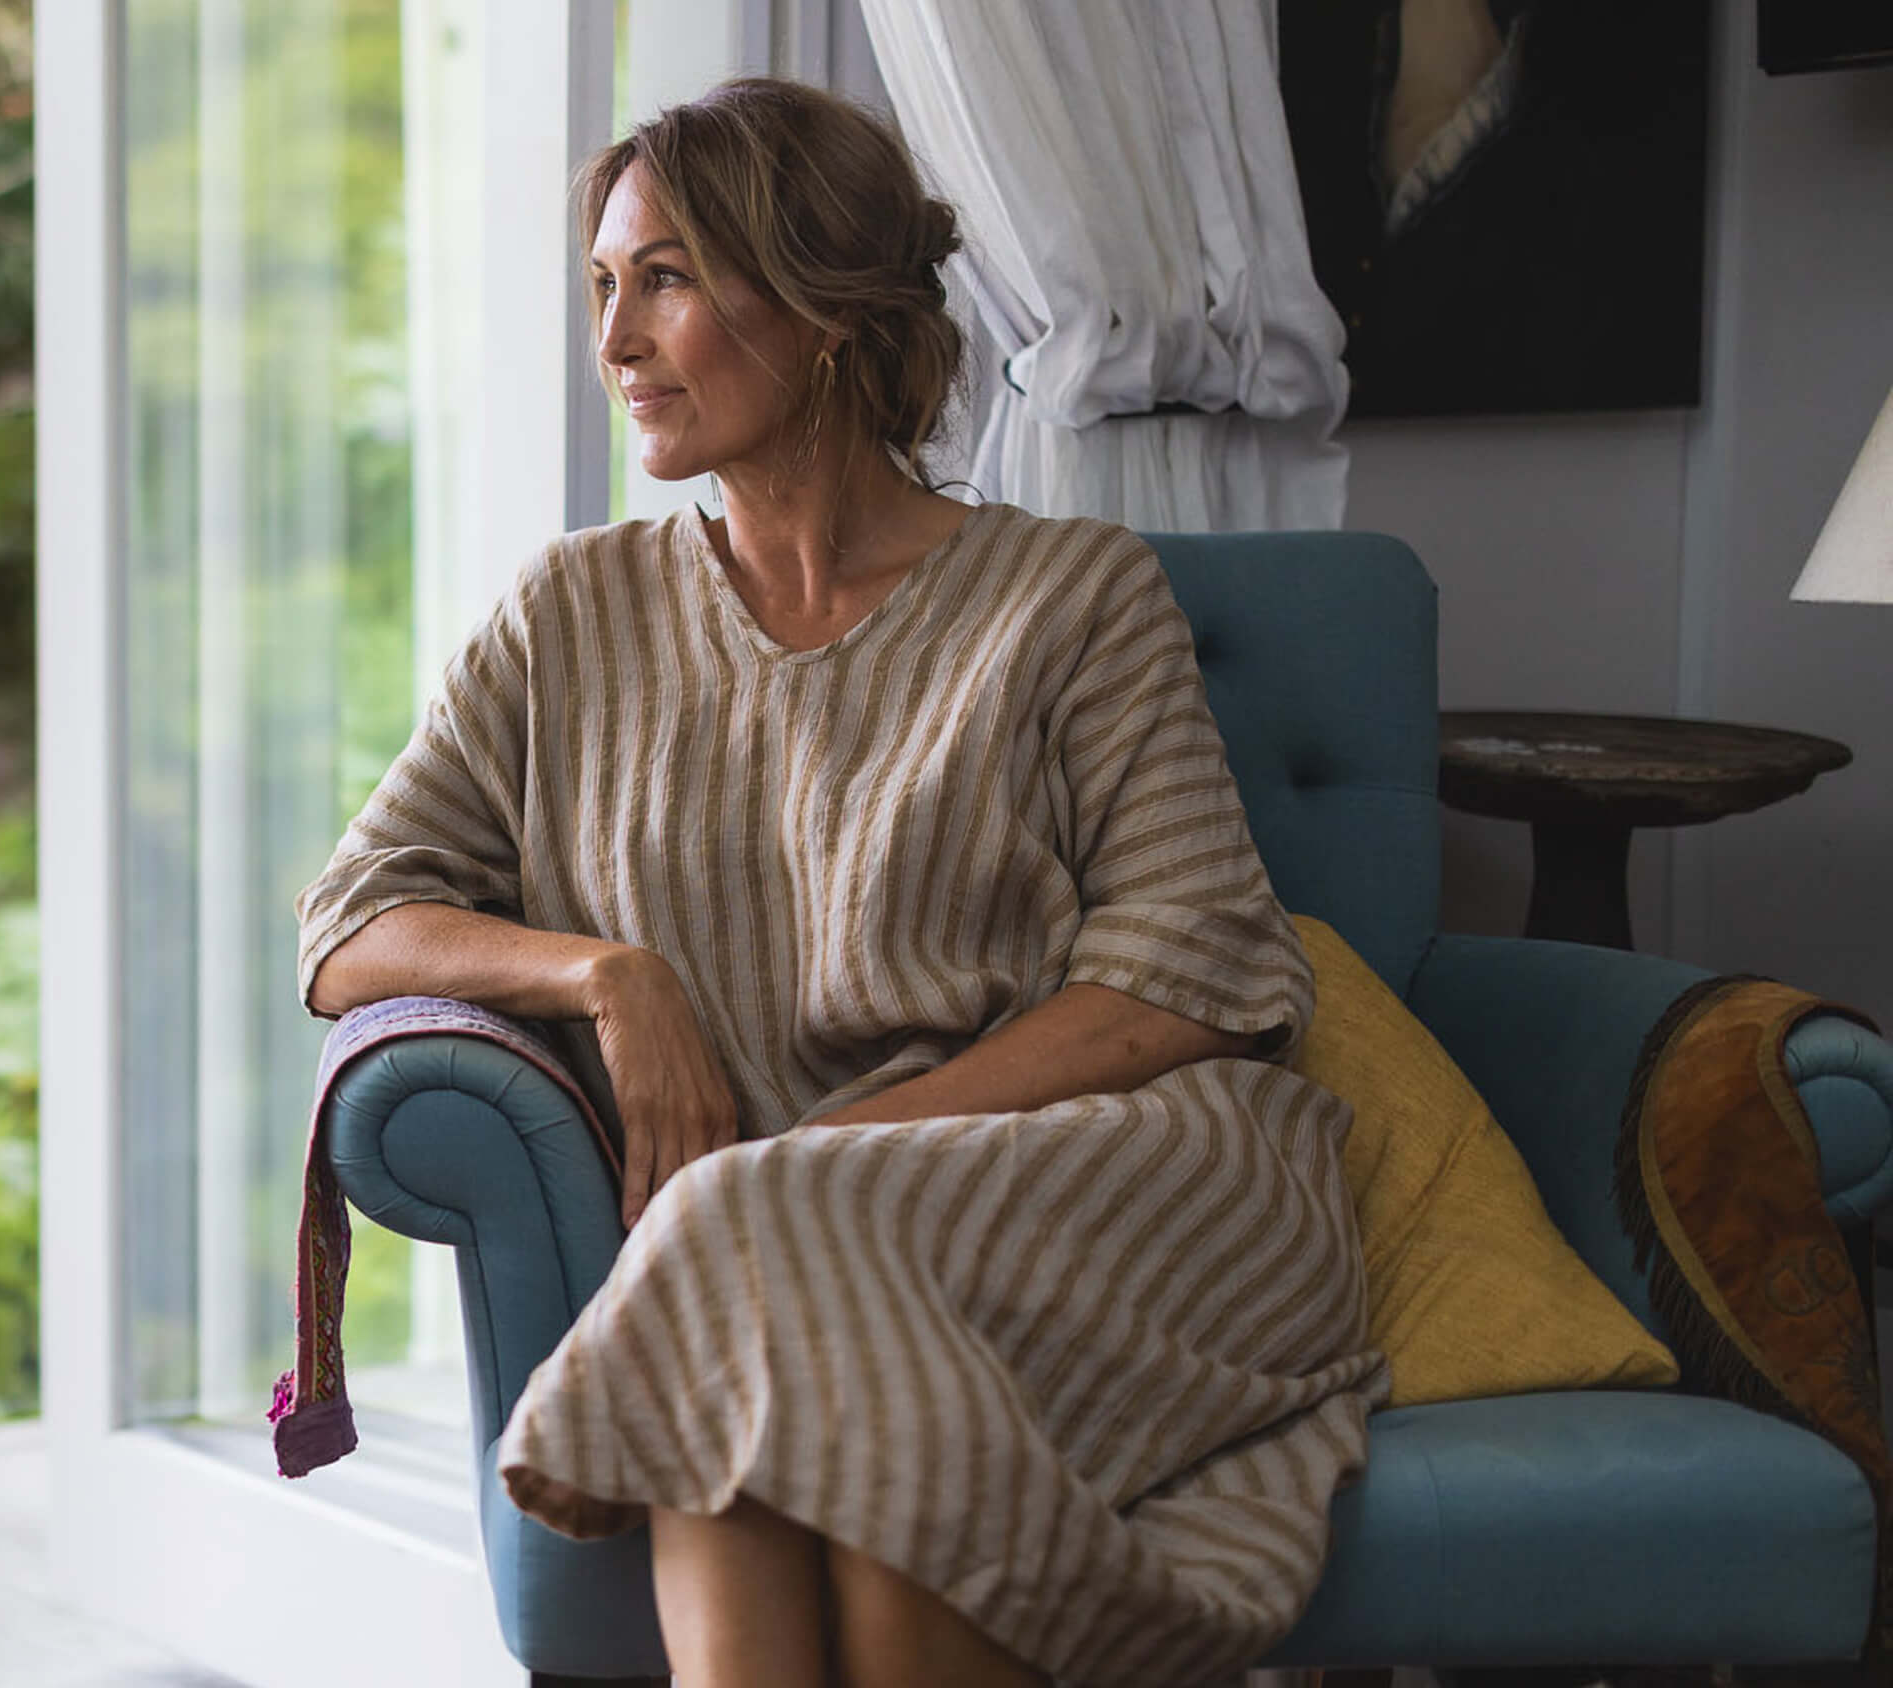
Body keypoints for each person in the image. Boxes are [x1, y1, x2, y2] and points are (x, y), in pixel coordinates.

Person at [292, 79, 1385, 1688]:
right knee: (783, 1331)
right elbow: (352, 924)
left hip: (1104, 1184)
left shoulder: (1070, 595)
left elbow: (1191, 976)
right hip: (788, 1246)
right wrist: (609, 976)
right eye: (605, 287)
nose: (616, 339)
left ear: (818, 311)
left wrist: (840, 1146)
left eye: (664, 277)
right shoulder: (571, 613)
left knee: (752, 1240)